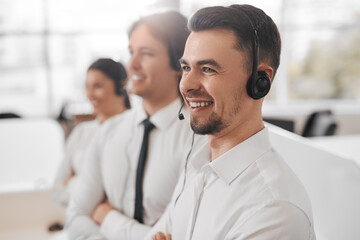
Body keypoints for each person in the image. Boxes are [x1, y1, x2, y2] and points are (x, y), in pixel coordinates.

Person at [149, 4, 316, 240]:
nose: (187, 85)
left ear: (260, 80)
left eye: (207, 69)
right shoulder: (196, 165)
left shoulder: (274, 210)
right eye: (186, 67)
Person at [66, 11, 206, 240]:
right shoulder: (108, 132)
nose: (132, 64)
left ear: (179, 63)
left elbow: (175, 234)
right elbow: (76, 215)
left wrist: (106, 216)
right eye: (131, 52)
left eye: (147, 53)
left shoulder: (197, 138)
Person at [52, 58, 130, 206]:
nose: (90, 94)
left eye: (98, 86)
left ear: (121, 86)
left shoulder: (132, 128)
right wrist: (91, 196)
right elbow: (57, 192)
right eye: (87, 87)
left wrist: (74, 180)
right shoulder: (82, 131)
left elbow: (119, 194)